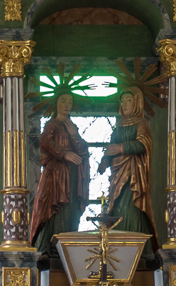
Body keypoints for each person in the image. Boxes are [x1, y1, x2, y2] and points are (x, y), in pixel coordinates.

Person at [99, 87, 158, 266]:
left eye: (128, 100)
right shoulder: (118, 126)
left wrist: (122, 149)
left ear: (137, 102)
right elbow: (112, 145)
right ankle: (119, 251)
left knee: (130, 208)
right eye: (122, 100)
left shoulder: (142, 123)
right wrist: (105, 160)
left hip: (134, 176)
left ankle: (137, 251)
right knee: (116, 208)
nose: (124, 104)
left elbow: (144, 144)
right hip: (117, 175)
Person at [30, 92, 90, 260]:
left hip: (70, 176)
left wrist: (73, 135)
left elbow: (83, 150)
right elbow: (44, 142)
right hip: (55, 175)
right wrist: (64, 154)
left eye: (70, 102)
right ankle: (48, 247)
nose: (67, 104)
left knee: (68, 210)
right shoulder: (52, 124)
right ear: (56, 103)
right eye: (63, 100)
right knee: (52, 208)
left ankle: (65, 248)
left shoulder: (72, 127)